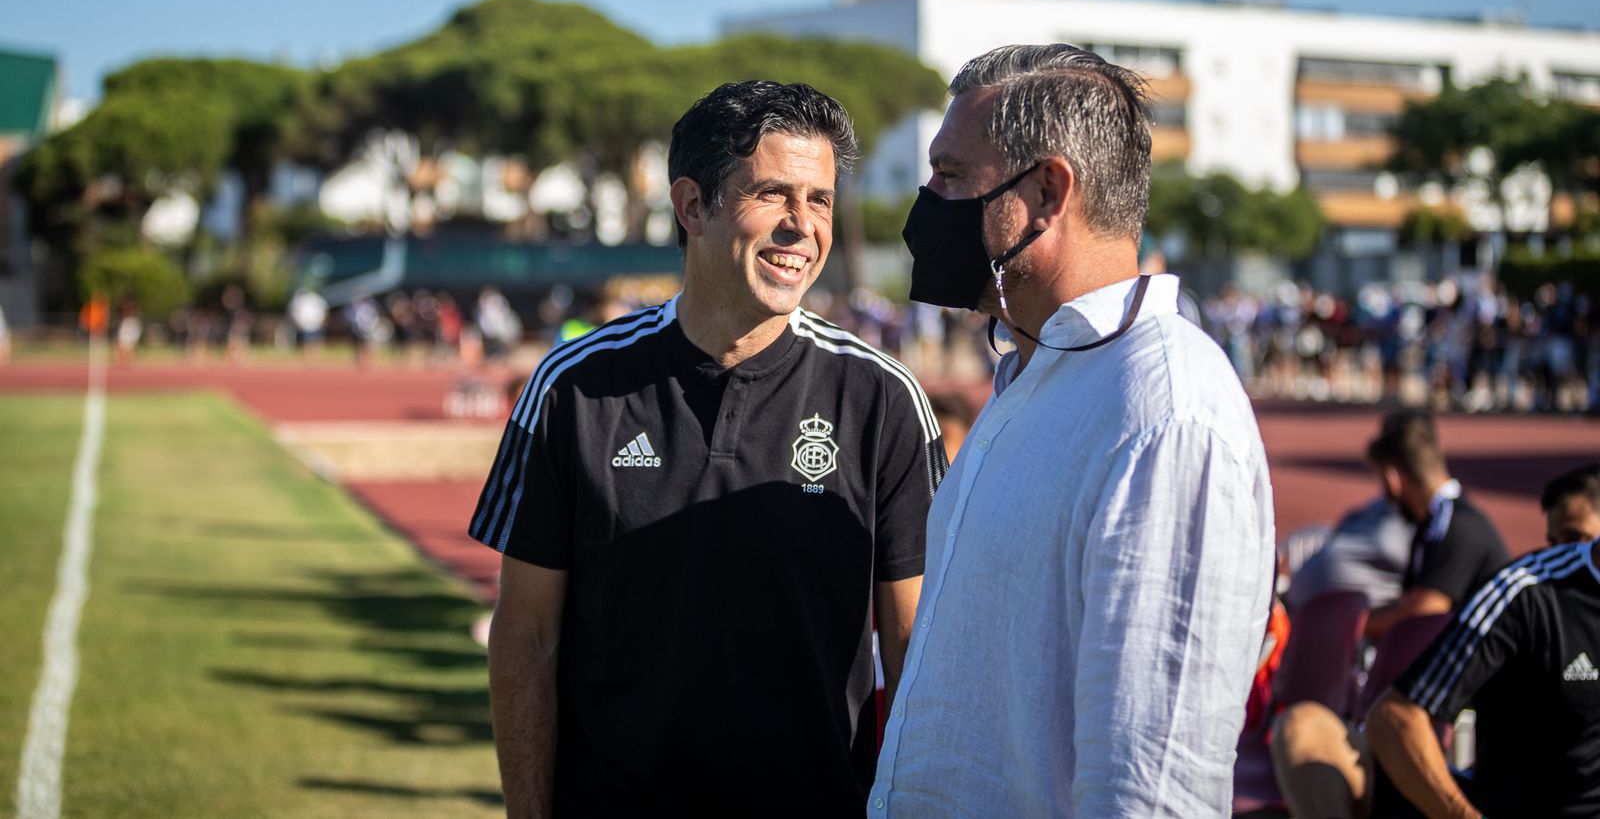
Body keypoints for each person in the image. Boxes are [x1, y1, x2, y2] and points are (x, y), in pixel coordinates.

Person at [469, 80, 944, 817]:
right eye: (773, 195)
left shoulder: (882, 398)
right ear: (692, 205)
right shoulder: (573, 388)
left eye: (818, 199)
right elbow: (526, 636)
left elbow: (918, 649)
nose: (802, 225)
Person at [872, 44, 1275, 815]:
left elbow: (1151, 787)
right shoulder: (1036, 370)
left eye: (951, 176)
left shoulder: (1164, 411)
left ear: (1048, 192)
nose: (926, 203)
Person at [1272, 462, 1600, 818]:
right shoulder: (1527, 590)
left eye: (1575, 538)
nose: (1560, 551)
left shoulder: (1458, 524)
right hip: (1481, 782)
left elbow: (1426, 605)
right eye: (1559, 540)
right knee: (1302, 729)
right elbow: (1424, 616)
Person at [1361, 409, 1509, 640]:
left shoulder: (1457, 526)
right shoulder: (1434, 522)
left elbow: (1424, 612)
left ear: (1393, 478)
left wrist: (1354, 627)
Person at [1284, 495, 1416, 615]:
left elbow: (1426, 605)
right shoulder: (1382, 502)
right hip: (1296, 611)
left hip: (1346, 630)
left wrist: (1358, 626)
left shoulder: (1425, 526)